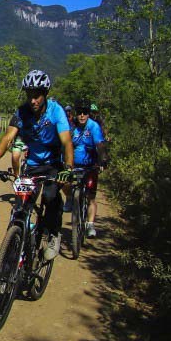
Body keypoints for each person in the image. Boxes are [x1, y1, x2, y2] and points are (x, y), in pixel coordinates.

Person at [0, 70, 75, 261]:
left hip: (53, 164)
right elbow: (7, 138)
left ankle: (53, 234)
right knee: (21, 206)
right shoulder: (22, 112)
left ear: (45, 94)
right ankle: (17, 243)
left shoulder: (56, 111)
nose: (33, 100)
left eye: (37, 95)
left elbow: (66, 142)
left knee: (50, 196)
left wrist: (68, 168)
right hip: (32, 165)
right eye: (29, 95)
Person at [71, 101, 107, 238]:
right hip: (75, 165)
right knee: (64, 183)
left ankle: (90, 224)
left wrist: (103, 160)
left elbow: (100, 144)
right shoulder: (72, 127)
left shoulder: (93, 126)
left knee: (91, 196)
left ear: (88, 114)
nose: (82, 115)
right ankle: (70, 200)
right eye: (79, 112)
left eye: (85, 113)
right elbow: (66, 144)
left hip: (91, 165)